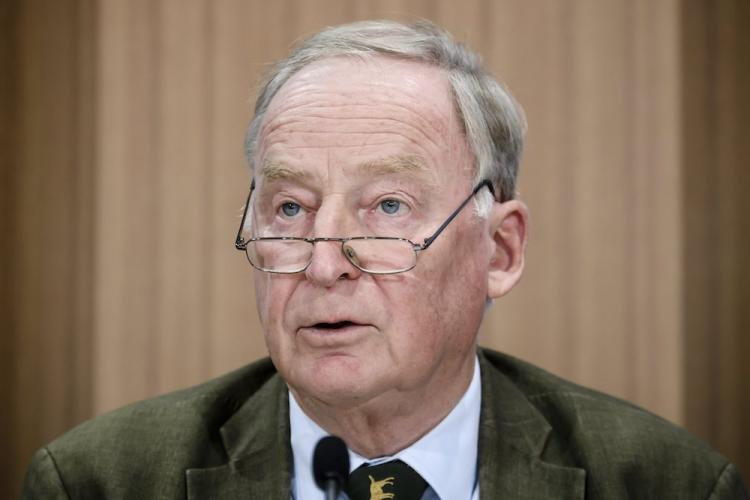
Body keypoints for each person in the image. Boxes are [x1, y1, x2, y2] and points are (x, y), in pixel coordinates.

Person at [22, 20, 747, 500]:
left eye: (388, 208)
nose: (323, 264)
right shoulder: (99, 482)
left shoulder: (665, 482)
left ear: (499, 249)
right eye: (290, 209)